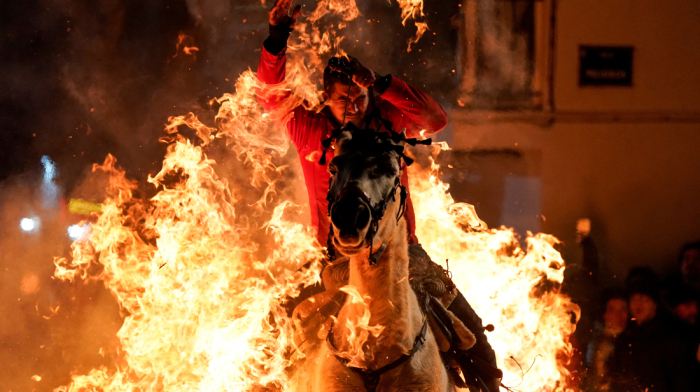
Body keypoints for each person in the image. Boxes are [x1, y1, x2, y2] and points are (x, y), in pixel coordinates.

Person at [256, 1, 500, 390]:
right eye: (342, 99)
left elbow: (435, 120)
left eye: (358, 98)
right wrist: (276, 38)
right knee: (273, 340)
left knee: (474, 338)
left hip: (406, 254)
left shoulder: (391, 123)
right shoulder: (311, 130)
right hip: (334, 256)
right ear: (326, 99)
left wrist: (384, 85)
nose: (352, 105)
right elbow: (269, 95)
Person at [607, 267, 700, 392]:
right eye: (635, 298)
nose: (639, 304)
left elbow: (683, 383)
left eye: (645, 298)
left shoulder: (672, 338)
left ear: (655, 303)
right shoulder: (624, 339)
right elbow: (616, 380)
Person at [582, 288, 628, 391]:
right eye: (612, 310)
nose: (618, 315)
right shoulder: (597, 343)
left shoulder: (631, 342)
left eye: (623, 309)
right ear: (605, 315)